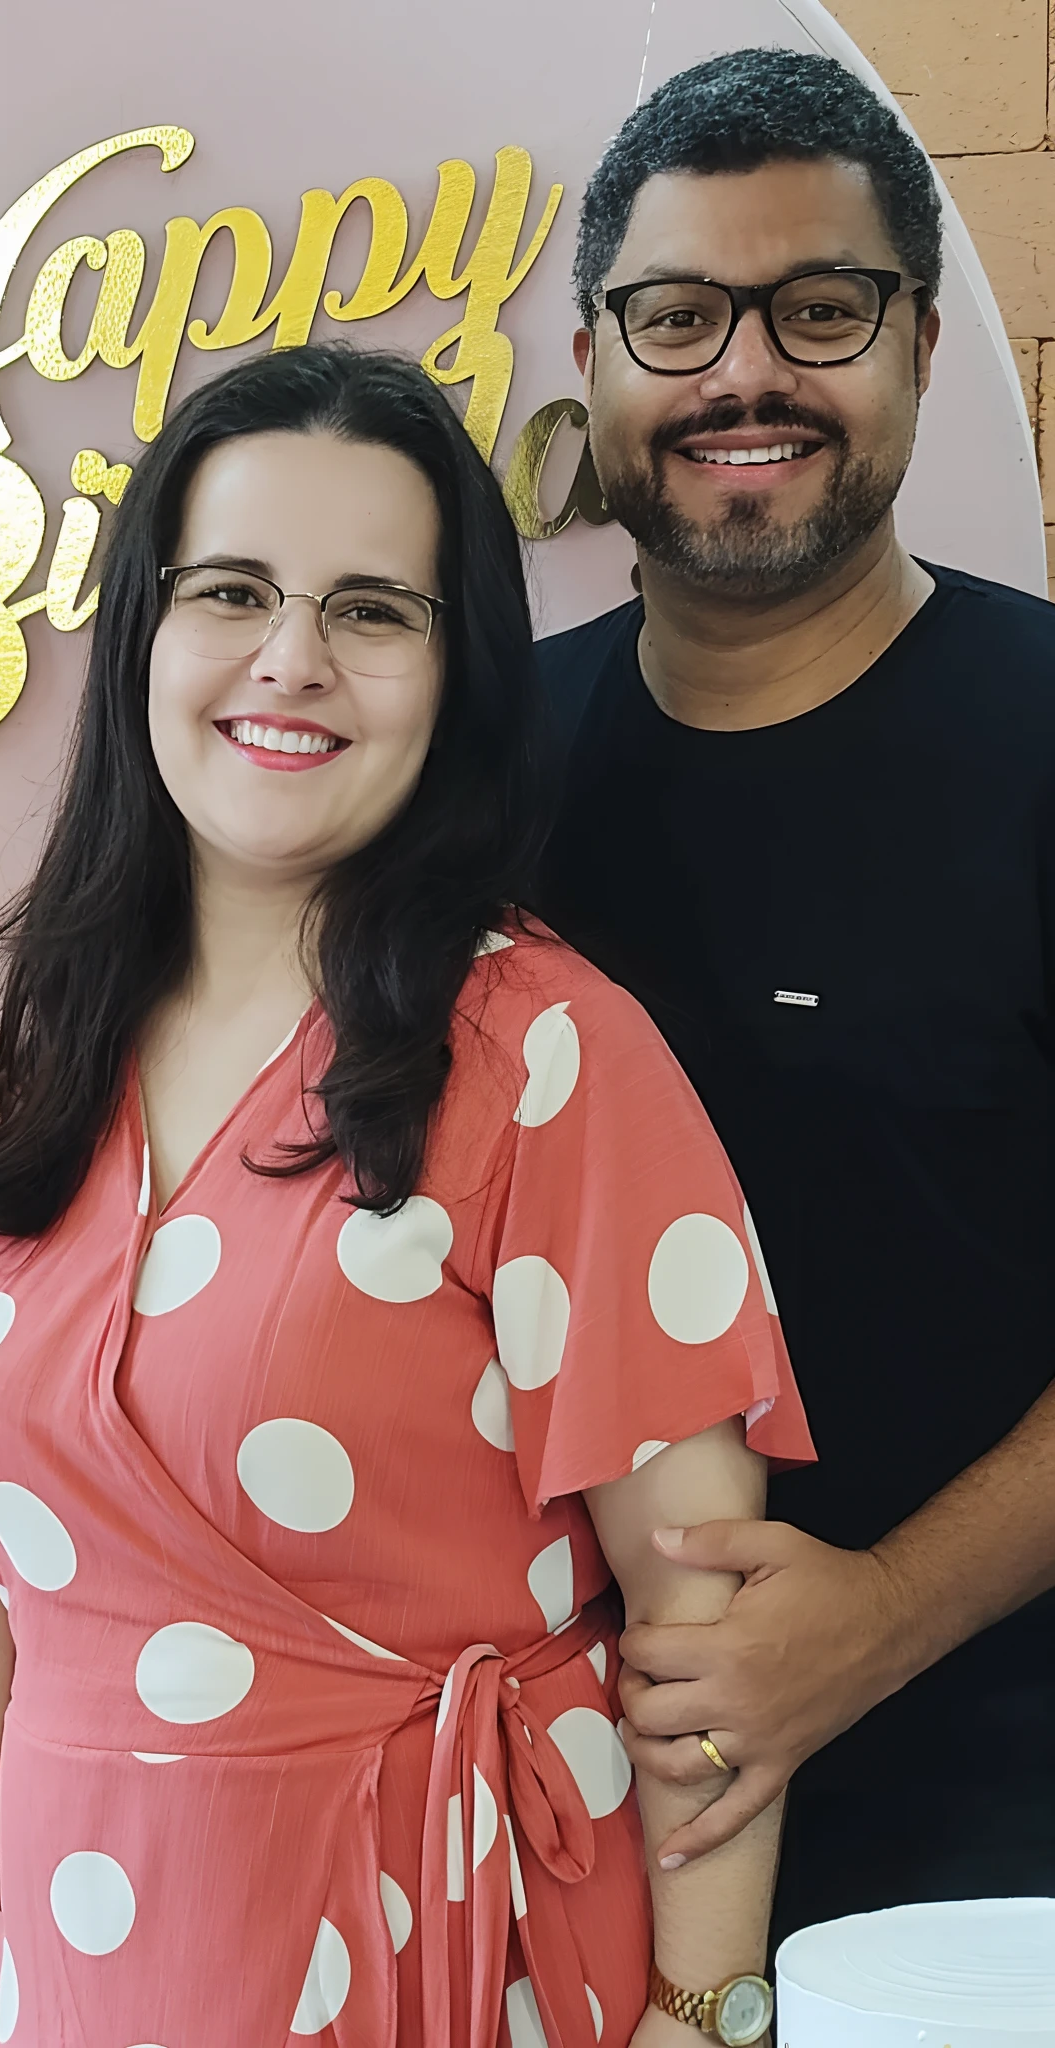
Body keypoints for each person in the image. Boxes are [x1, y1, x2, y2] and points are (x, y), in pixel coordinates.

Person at [0, 344, 812, 2048]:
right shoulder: (57, 1052)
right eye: (233, 589)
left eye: (376, 610)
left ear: (456, 675)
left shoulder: (548, 1055)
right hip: (78, 1983)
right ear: (144, 637)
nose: (290, 660)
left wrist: (705, 2015)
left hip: (450, 1954)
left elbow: (708, 1623)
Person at [534, 48, 1055, 1944]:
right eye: (677, 317)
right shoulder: (473, 770)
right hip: (542, 1843)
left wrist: (875, 1624)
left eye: (818, 310)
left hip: (984, 1854)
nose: (742, 376)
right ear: (592, 358)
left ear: (917, 341)